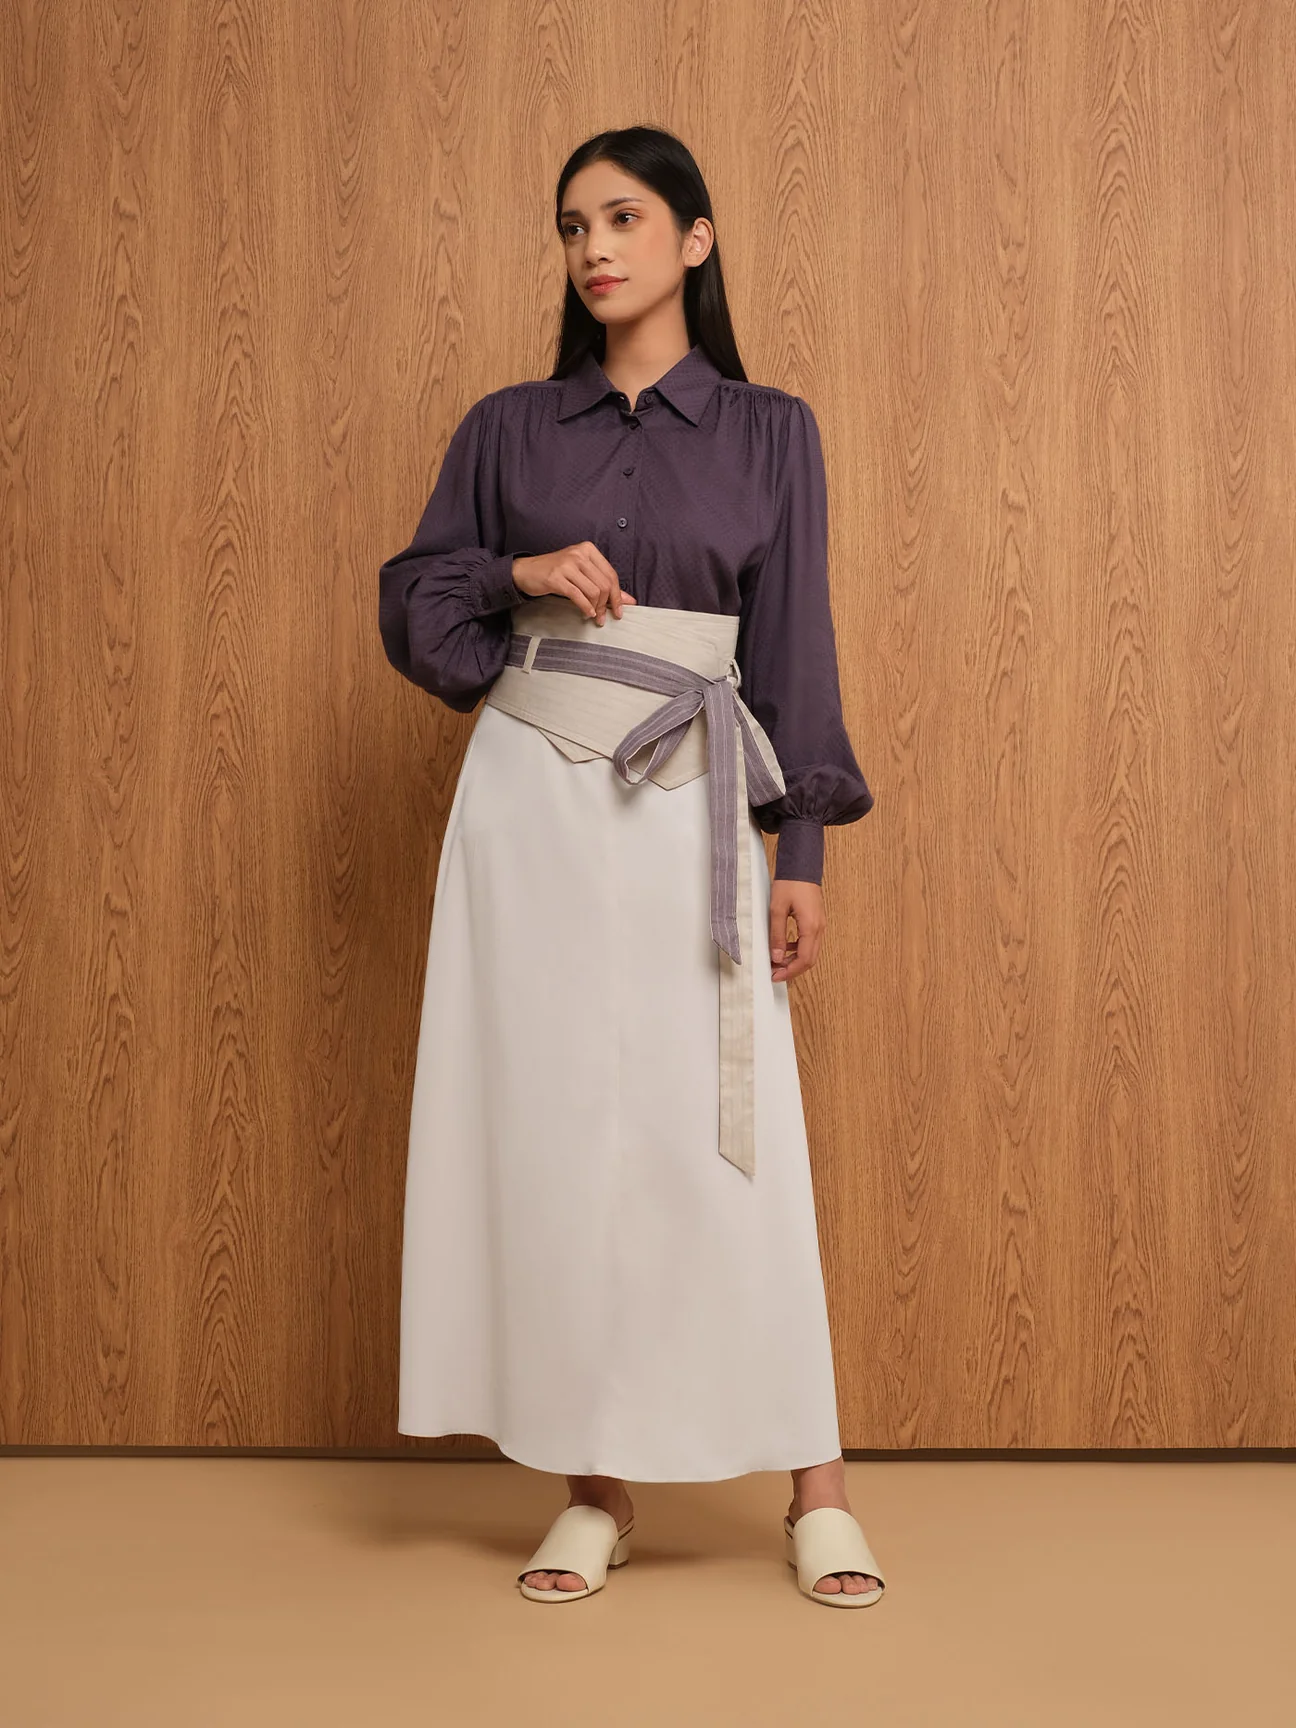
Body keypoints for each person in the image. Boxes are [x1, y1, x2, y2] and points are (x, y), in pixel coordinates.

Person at [377, 125, 885, 1608]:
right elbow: (422, 616)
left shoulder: (771, 430)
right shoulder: (507, 429)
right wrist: (518, 572)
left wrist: (801, 848)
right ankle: (594, 1487)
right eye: (571, 226)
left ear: (694, 239)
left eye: (623, 218)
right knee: (563, 1138)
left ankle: (817, 1491)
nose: (593, 248)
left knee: (731, 1135)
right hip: (526, 810)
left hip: (691, 808)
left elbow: (794, 645)